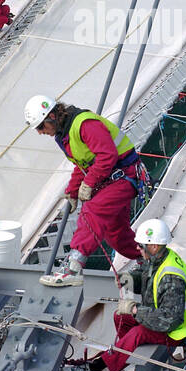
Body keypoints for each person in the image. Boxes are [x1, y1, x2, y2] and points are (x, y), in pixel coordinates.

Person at [27, 95, 148, 287]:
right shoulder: (64, 135)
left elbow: (107, 156)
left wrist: (89, 183)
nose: (41, 132)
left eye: (41, 127)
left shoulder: (85, 125)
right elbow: (82, 164)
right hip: (111, 179)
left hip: (123, 176)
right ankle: (148, 259)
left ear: (51, 116)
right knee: (114, 233)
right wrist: (73, 190)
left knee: (92, 210)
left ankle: (73, 269)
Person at [71, 219, 186, 371]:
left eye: (141, 245)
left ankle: (98, 367)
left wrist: (135, 309)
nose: (137, 248)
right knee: (119, 317)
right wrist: (130, 279)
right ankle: (127, 355)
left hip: (182, 330)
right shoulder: (160, 257)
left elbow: (170, 320)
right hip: (171, 319)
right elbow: (149, 278)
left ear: (154, 246)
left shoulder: (171, 278)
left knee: (138, 333)